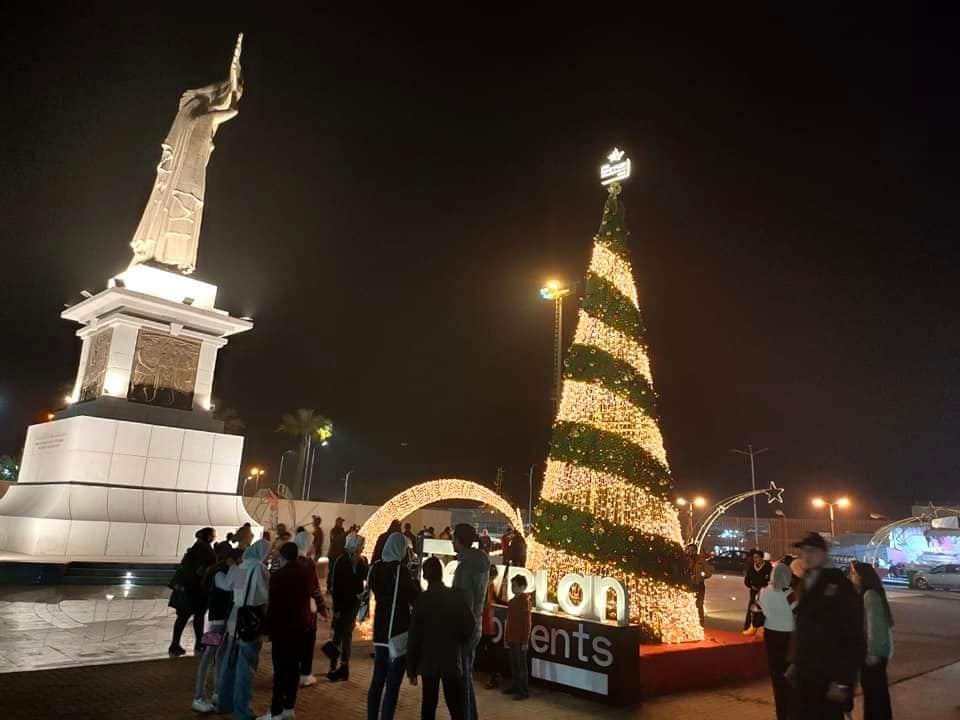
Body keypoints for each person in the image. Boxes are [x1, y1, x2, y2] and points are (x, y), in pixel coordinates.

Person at [788, 532, 864, 720]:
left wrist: (842, 680)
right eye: (803, 551)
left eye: (812, 551)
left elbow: (853, 636)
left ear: (824, 553)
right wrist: (795, 661)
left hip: (829, 677)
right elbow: (803, 628)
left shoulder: (840, 585)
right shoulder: (805, 583)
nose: (806, 556)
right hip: (806, 674)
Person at [407, 557, 475, 720]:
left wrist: (411, 669)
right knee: (455, 705)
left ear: (425, 576)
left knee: (429, 703)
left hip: (428, 659)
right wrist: (460, 640)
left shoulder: (422, 600)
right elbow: (469, 623)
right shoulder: (455, 596)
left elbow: (414, 636)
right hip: (451, 657)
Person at [255, 542, 315, 720]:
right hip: (300, 627)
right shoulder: (306, 573)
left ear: (282, 556)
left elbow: (273, 606)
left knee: (280, 670)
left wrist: (267, 629)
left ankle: (276, 711)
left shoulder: (279, 576)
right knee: (293, 669)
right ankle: (289, 707)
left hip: (282, 629)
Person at [367, 532, 419, 720]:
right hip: (397, 632)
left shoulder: (375, 568)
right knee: (392, 685)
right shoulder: (401, 571)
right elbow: (414, 598)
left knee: (377, 681)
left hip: (380, 631)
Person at [217, 538, 270, 720]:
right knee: (246, 667)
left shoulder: (242, 565)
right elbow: (262, 596)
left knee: (230, 661)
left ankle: (224, 702)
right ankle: (242, 710)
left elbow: (234, 589)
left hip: (235, 616)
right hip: (250, 619)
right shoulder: (259, 568)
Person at [192, 547, 242, 713]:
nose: (240, 563)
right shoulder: (219, 573)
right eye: (239, 560)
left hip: (226, 620)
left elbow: (238, 588)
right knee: (209, 654)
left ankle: (218, 692)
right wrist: (236, 570)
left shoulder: (227, 571)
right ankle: (199, 696)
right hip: (216, 620)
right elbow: (229, 587)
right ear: (230, 560)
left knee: (221, 654)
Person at [452, 523, 490, 720]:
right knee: (466, 675)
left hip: (464, 628)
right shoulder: (482, 561)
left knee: (462, 679)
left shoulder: (465, 568)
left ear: (458, 540)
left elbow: (463, 603)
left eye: (454, 538)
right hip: (476, 623)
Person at [851, 561, 894, 720]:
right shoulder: (872, 593)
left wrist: (872, 652)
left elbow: (874, 625)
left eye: (854, 573)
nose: (852, 577)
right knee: (877, 692)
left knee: (874, 694)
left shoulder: (869, 595)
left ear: (862, 576)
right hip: (876, 652)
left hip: (873, 653)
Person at [325, 532, 369, 681]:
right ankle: (333, 665)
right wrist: (336, 608)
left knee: (347, 633)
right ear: (353, 546)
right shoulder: (341, 560)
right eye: (360, 546)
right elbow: (336, 585)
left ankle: (344, 666)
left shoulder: (361, 561)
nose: (362, 548)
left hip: (353, 603)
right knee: (338, 634)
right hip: (342, 603)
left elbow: (366, 578)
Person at [169, 526, 217, 657]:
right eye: (213, 535)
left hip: (187, 589)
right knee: (199, 617)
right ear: (208, 537)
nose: (214, 537)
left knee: (183, 617)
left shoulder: (194, 549)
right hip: (196, 590)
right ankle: (200, 644)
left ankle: (175, 644)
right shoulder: (206, 551)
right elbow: (207, 569)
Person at [758, 562, 798, 720]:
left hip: (770, 634)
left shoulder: (763, 591)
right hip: (788, 636)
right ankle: (791, 712)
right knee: (789, 676)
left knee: (776, 676)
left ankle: (781, 713)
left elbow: (757, 608)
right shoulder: (789, 593)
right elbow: (798, 612)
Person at [292, 529, 322, 687]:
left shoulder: (290, 561)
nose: (313, 547)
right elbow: (314, 588)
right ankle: (304, 674)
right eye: (311, 543)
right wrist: (322, 608)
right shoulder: (308, 564)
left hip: (291, 610)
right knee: (307, 643)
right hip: (306, 611)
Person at [503, 574, 532, 700]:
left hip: (520, 639)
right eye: (512, 585)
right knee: (514, 664)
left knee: (521, 666)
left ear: (522, 587)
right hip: (512, 638)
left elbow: (527, 623)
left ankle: (523, 690)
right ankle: (516, 686)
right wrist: (507, 637)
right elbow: (509, 621)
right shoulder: (512, 602)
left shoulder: (524, 602)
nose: (512, 588)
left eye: (515, 585)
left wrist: (525, 640)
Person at [742, 549, 772, 635]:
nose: (755, 559)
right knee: (751, 609)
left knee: (764, 610)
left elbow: (771, 580)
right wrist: (751, 586)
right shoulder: (751, 567)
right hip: (754, 592)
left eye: (757, 557)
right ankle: (748, 627)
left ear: (762, 558)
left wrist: (765, 587)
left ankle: (764, 628)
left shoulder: (768, 567)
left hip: (765, 593)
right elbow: (747, 580)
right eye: (754, 558)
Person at [481, 565, 502, 689]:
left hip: (486, 623)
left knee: (490, 651)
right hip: (486, 622)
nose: (492, 579)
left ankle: (494, 676)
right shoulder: (487, 586)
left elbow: (494, 600)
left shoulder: (488, 586)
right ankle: (493, 676)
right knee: (489, 650)